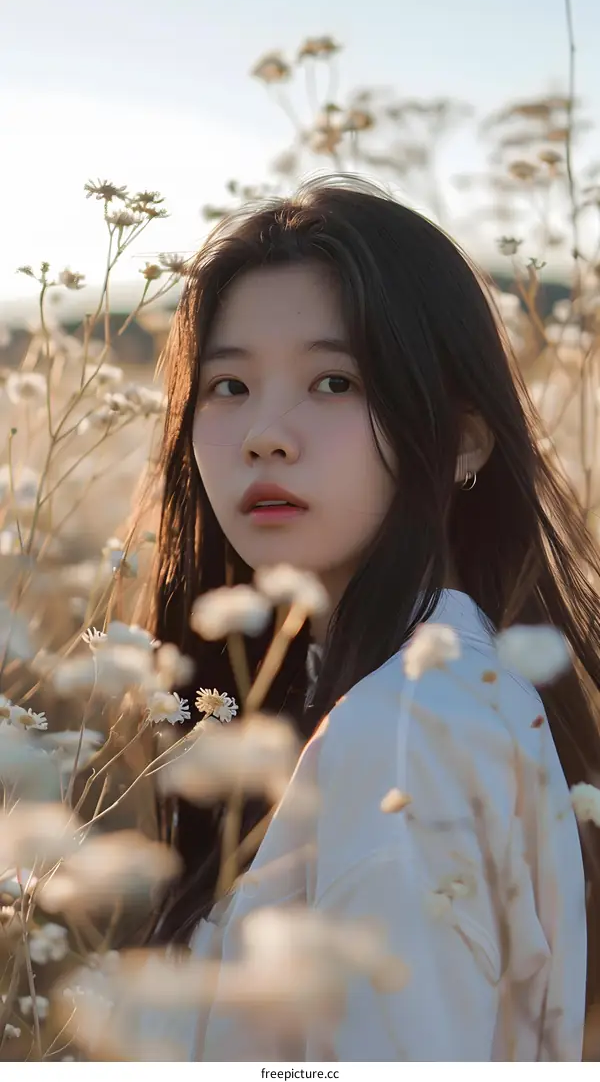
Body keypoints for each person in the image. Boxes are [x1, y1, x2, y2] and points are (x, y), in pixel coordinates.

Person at [140, 173, 600, 1060]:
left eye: (333, 380)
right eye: (228, 386)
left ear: (464, 435)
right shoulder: (432, 694)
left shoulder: (402, 734)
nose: (264, 433)